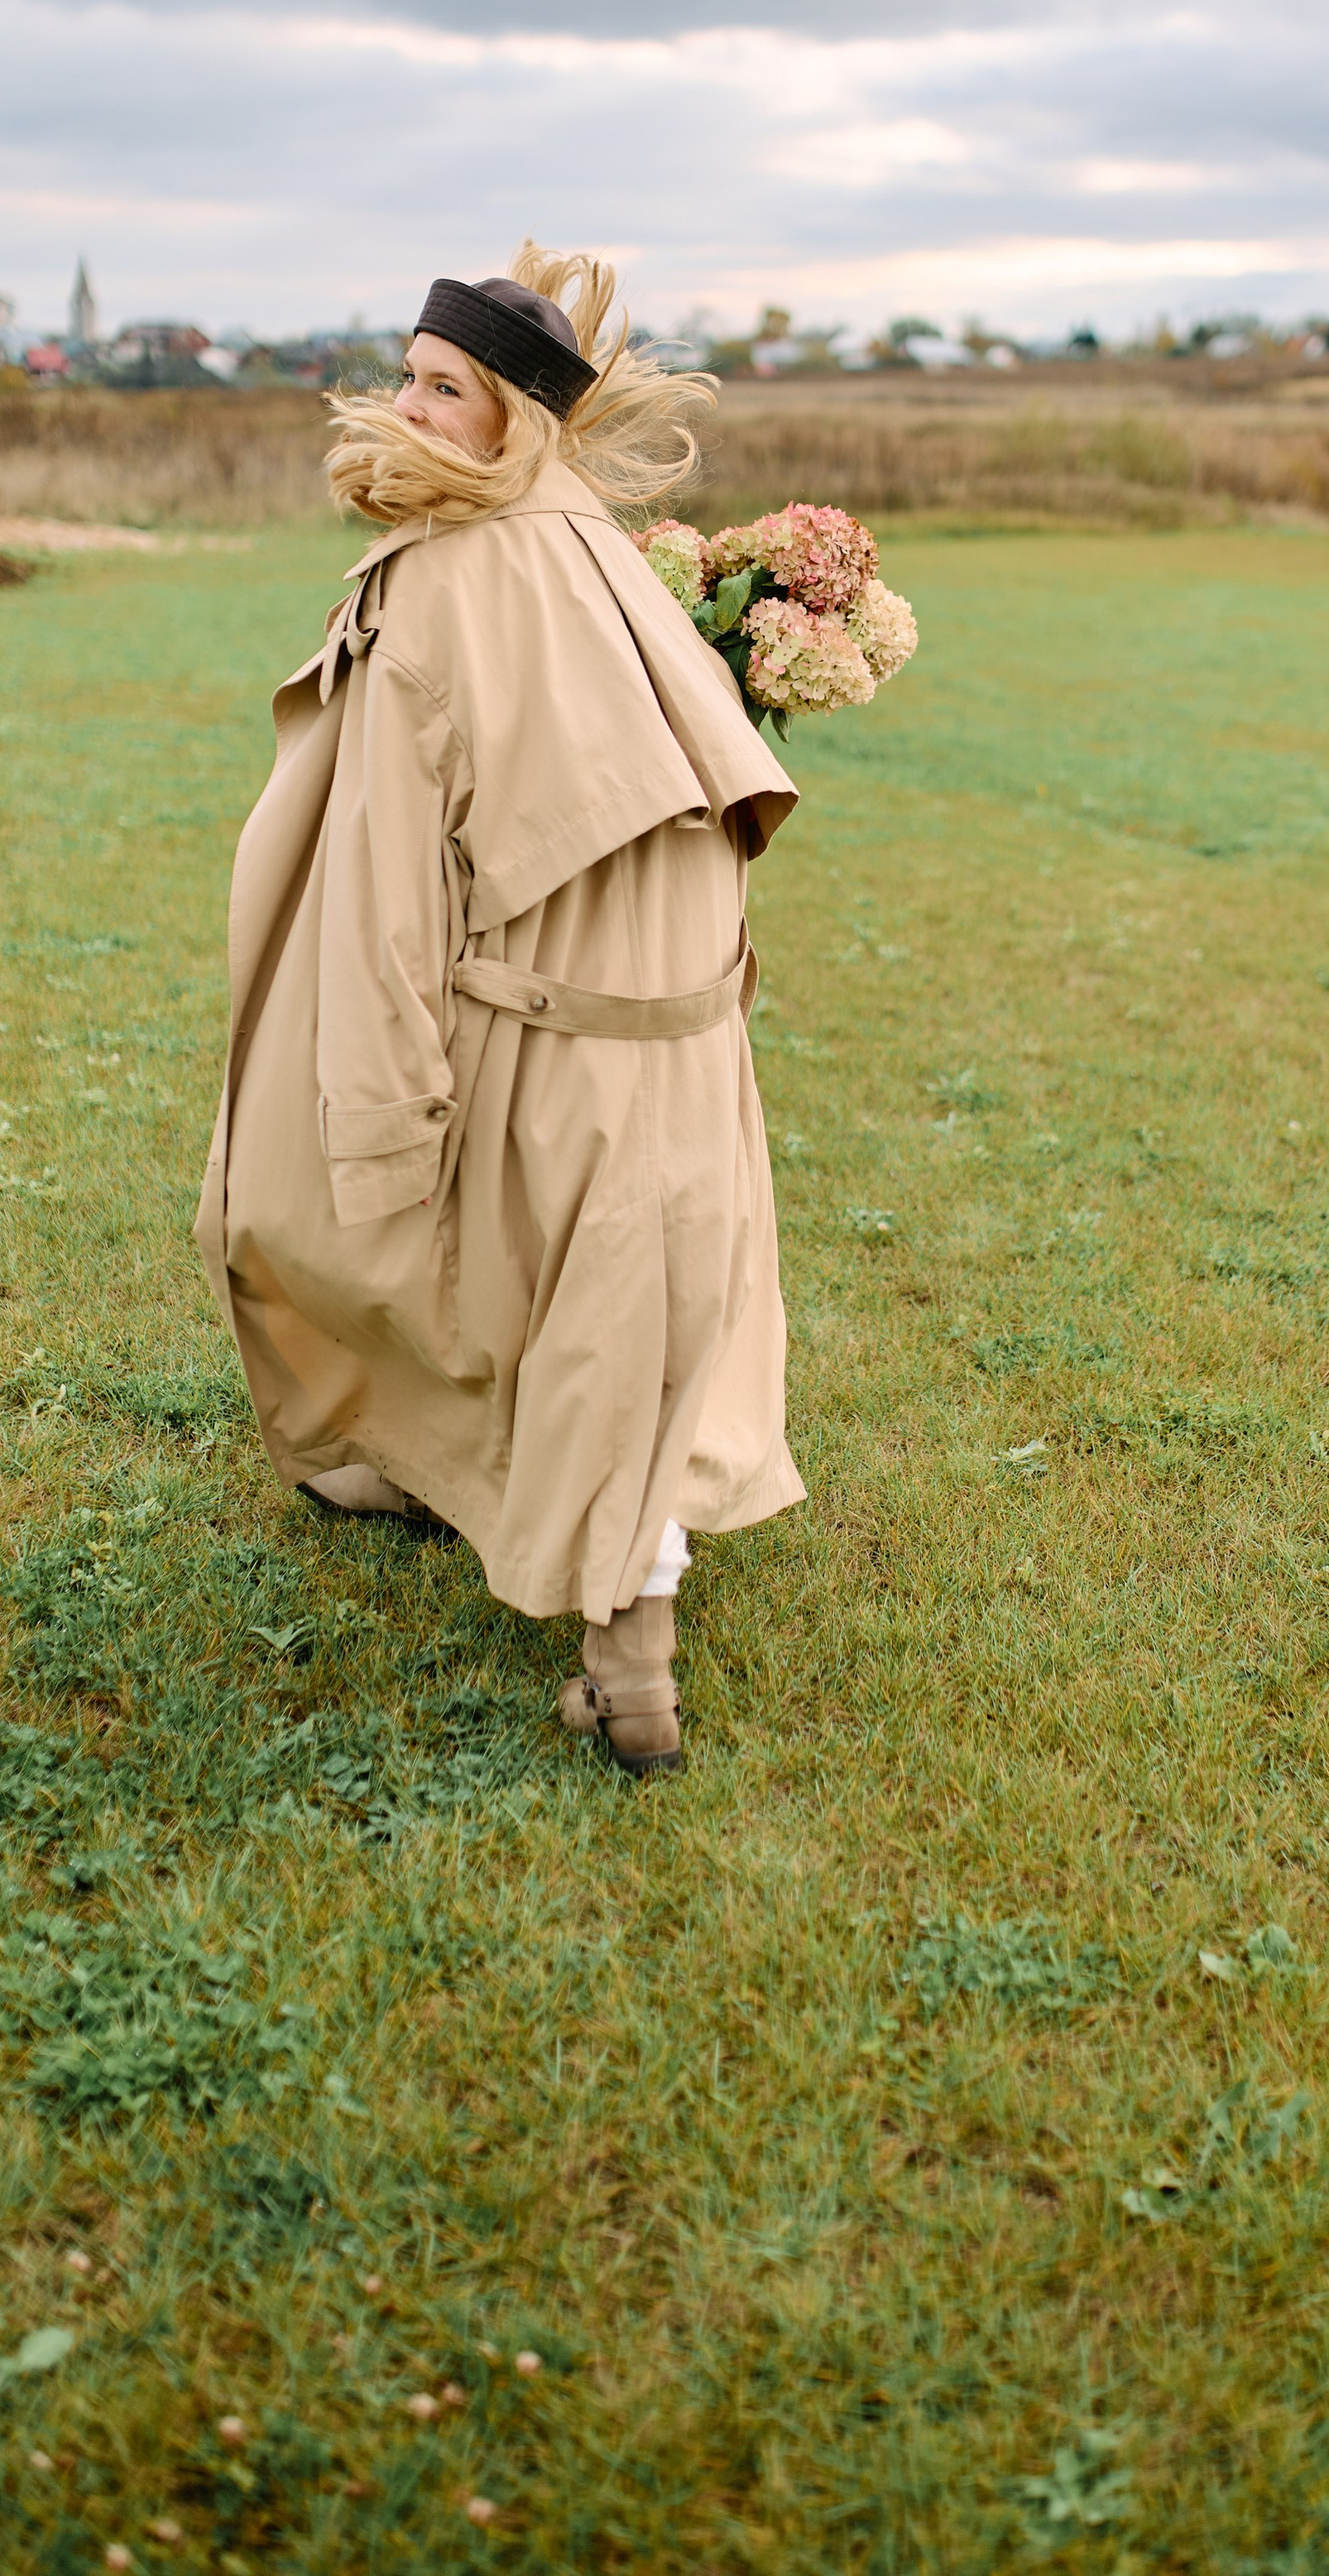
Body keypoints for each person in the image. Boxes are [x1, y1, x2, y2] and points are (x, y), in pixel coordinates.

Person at [195, 245, 804, 1777]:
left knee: (360, 1233)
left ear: (516, 423)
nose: (403, 405)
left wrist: (382, 1114)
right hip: (689, 1030)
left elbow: (388, 888)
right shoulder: (604, 555)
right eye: (405, 372)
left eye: (441, 388)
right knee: (640, 1327)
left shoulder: (446, 584)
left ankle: (626, 1659)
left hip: (563, 1033)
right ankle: (434, 1481)